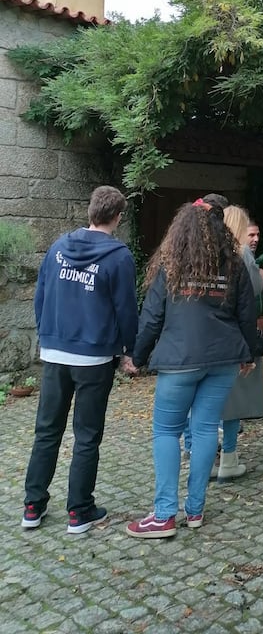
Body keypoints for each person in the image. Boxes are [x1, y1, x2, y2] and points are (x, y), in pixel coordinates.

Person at [125, 198, 257, 537]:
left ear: (182, 229)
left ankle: (164, 515)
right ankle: (195, 510)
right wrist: (249, 354)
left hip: (180, 359)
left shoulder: (172, 262)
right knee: (205, 430)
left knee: (167, 431)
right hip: (223, 359)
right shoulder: (235, 265)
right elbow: (247, 315)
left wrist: (137, 357)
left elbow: (152, 316)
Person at [21, 185, 138, 534]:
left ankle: (32, 506)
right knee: (86, 435)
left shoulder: (58, 247)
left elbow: (41, 295)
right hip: (94, 356)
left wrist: (47, 334)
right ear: (118, 217)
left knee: (47, 430)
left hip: (56, 352)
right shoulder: (119, 257)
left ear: (90, 211)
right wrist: (129, 349)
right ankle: (79, 510)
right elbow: (126, 309)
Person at [210, 204, 263, 482]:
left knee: (207, 402)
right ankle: (229, 459)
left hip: (208, 335)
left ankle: (205, 458)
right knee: (233, 402)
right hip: (235, 336)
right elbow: (254, 289)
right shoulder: (241, 254)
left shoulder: (206, 251)